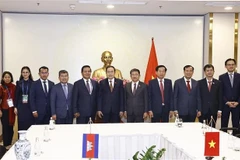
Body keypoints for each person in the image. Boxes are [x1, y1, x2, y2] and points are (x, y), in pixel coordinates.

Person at [219, 58, 240, 134]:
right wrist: (227, 102)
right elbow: (221, 92)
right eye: (229, 65)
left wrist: (238, 102)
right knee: (224, 125)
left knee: (236, 125)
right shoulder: (221, 77)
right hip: (226, 105)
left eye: (232, 64)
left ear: (235, 66)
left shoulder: (239, 76)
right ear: (226, 66)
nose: (231, 66)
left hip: (237, 105)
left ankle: (237, 141)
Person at [14, 66, 35, 130]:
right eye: (23, 72)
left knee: (30, 124)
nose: (25, 74)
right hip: (21, 106)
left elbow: (34, 96)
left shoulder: (33, 83)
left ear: (29, 73)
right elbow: (16, 95)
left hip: (30, 107)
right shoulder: (19, 83)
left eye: (26, 72)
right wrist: (15, 107)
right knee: (22, 124)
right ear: (21, 73)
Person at [0, 71, 16, 149]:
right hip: (4, 110)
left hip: (12, 110)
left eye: (8, 77)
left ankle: (10, 143)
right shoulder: (1, 87)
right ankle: (6, 145)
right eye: (5, 77)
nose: (7, 78)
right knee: (5, 127)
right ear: (3, 78)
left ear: (11, 78)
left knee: (11, 127)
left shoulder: (14, 86)